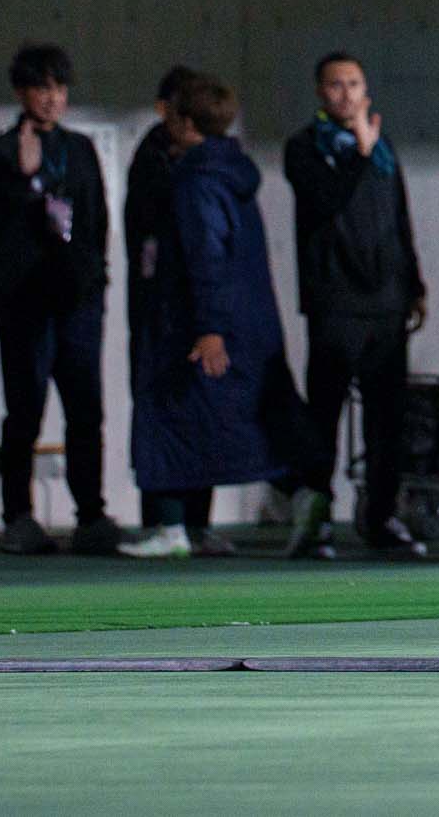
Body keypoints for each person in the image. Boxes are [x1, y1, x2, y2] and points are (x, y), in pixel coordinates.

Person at [131, 70, 296, 556]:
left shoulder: (194, 182)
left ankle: (171, 528)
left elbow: (206, 255)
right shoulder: (233, 172)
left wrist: (209, 328)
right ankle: (197, 528)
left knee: (168, 415)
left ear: (186, 123)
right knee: (211, 422)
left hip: (191, 321)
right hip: (241, 318)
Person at [283, 47, 427, 560]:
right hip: (334, 303)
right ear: (321, 92)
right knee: (323, 417)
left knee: (387, 421)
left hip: (385, 304)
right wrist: (358, 155)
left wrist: (414, 285)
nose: (346, 94)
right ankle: (316, 520)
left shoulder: (381, 148)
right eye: (336, 85)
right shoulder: (304, 148)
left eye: (354, 84)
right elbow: (324, 201)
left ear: (366, 92)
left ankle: (381, 517)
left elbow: (399, 218)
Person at [0, 41, 119, 554]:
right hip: (25, 304)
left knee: (86, 410)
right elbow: (3, 220)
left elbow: (97, 219)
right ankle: (19, 515)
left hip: (77, 300)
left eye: (59, 88)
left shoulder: (80, 149)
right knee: (25, 410)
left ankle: (91, 515)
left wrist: (96, 282)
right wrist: (26, 175)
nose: (52, 98)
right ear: (21, 93)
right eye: (42, 88)